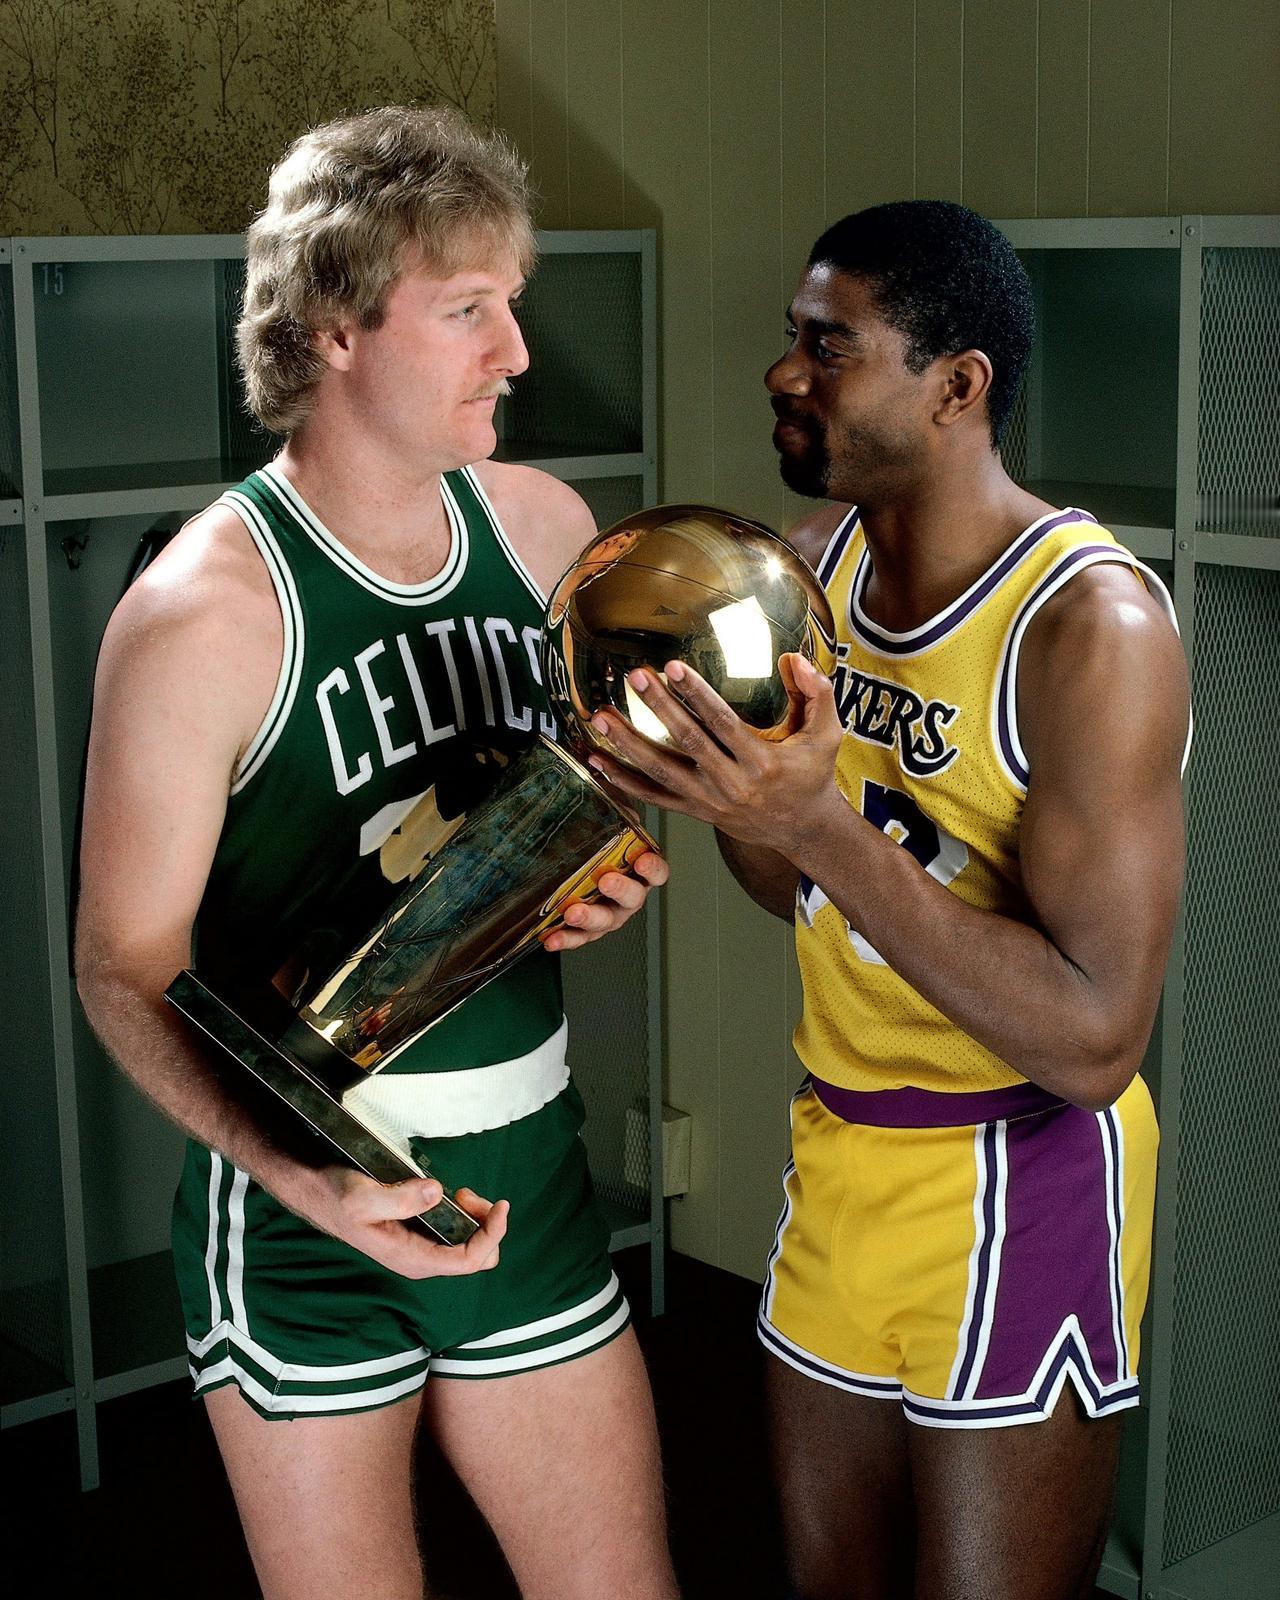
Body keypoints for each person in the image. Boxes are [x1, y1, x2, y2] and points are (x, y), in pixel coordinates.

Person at [75, 106, 677, 1600]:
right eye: (469, 309)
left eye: (514, 304)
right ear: (335, 329)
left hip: (530, 1166)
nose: (517, 352)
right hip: (309, 1212)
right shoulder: (203, 614)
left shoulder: (547, 531)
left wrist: (601, 871)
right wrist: (300, 1176)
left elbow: (585, 795)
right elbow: (121, 963)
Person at [589, 200, 1190, 1600]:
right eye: (791, 337)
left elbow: (1096, 1040)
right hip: (843, 1140)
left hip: (1023, 1171)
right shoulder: (812, 572)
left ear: (956, 385)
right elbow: (787, 887)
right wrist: (727, 795)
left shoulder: (1089, 629)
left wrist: (817, 820)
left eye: (829, 345)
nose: (783, 371)